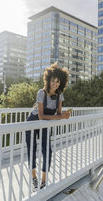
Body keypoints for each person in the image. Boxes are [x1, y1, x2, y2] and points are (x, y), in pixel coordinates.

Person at [26, 63, 70, 192]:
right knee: (32, 149)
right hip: (33, 122)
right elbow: (40, 115)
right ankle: (34, 177)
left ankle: (44, 180)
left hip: (45, 123)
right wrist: (61, 117)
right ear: (48, 80)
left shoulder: (60, 95)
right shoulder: (41, 93)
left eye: (57, 82)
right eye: (52, 81)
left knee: (48, 151)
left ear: (60, 83)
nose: (54, 84)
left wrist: (65, 114)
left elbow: (58, 114)